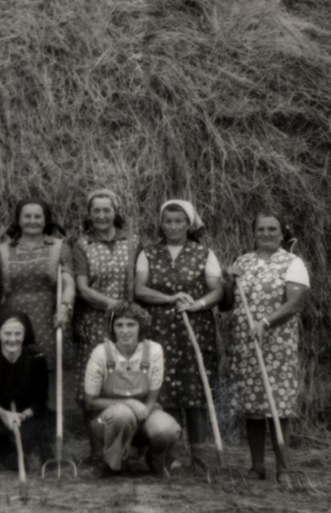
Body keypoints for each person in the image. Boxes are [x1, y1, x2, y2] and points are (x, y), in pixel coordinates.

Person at [135, 200, 223, 471]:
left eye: (178, 221)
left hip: (195, 329)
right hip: (159, 329)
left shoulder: (204, 253)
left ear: (189, 224)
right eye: (168, 221)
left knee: (195, 392)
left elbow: (217, 290)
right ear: (161, 224)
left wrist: (197, 304)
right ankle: (171, 454)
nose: (173, 226)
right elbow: (139, 290)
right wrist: (170, 298)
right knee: (167, 391)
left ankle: (198, 456)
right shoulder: (148, 253)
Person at [222, 212, 309, 482]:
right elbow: (226, 305)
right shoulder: (243, 262)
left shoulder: (292, 262)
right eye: (261, 229)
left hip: (276, 345)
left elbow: (295, 303)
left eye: (272, 229)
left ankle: (283, 468)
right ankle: (257, 467)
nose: (266, 233)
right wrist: (227, 280)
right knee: (253, 407)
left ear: (282, 233)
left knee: (278, 405)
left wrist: (265, 322)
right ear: (254, 233)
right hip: (246, 344)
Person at [73, 189, 141, 461]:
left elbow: (139, 281)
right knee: (93, 382)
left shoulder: (133, 242)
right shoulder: (82, 245)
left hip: (126, 322)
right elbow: (82, 288)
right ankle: (96, 447)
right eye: (96, 211)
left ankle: (129, 445)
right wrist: (111, 303)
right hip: (93, 321)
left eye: (106, 210)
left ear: (115, 212)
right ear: (89, 215)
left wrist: (126, 310)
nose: (101, 215)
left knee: (127, 377)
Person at [0, 198, 75, 404]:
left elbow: (69, 282)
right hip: (15, 318)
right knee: (20, 365)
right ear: (18, 220)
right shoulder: (2, 250)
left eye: (38, 216)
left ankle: (56, 419)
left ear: (46, 220)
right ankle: (25, 420)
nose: (32, 220)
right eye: (27, 216)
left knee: (52, 365)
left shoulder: (59, 247)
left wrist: (65, 307)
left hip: (50, 316)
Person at [84, 303, 181, 477]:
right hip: (106, 422)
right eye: (119, 325)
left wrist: (129, 439)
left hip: (144, 414)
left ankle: (154, 459)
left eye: (131, 325)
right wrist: (129, 401)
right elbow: (90, 402)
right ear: (112, 328)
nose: (125, 330)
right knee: (122, 413)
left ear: (140, 326)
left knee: (168, 430)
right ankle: (111, 463)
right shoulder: (101, 352)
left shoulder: (154, 351)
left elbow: (151, 401)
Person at [0, 310, 55, 475]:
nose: (12, 339)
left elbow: (40, 400)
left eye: (18, 333)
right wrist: (5, 415)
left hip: (28, 416)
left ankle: (11, 458)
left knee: (26, 435)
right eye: (7, 333)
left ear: (25, 335)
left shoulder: (37, 359)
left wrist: (22, 416)